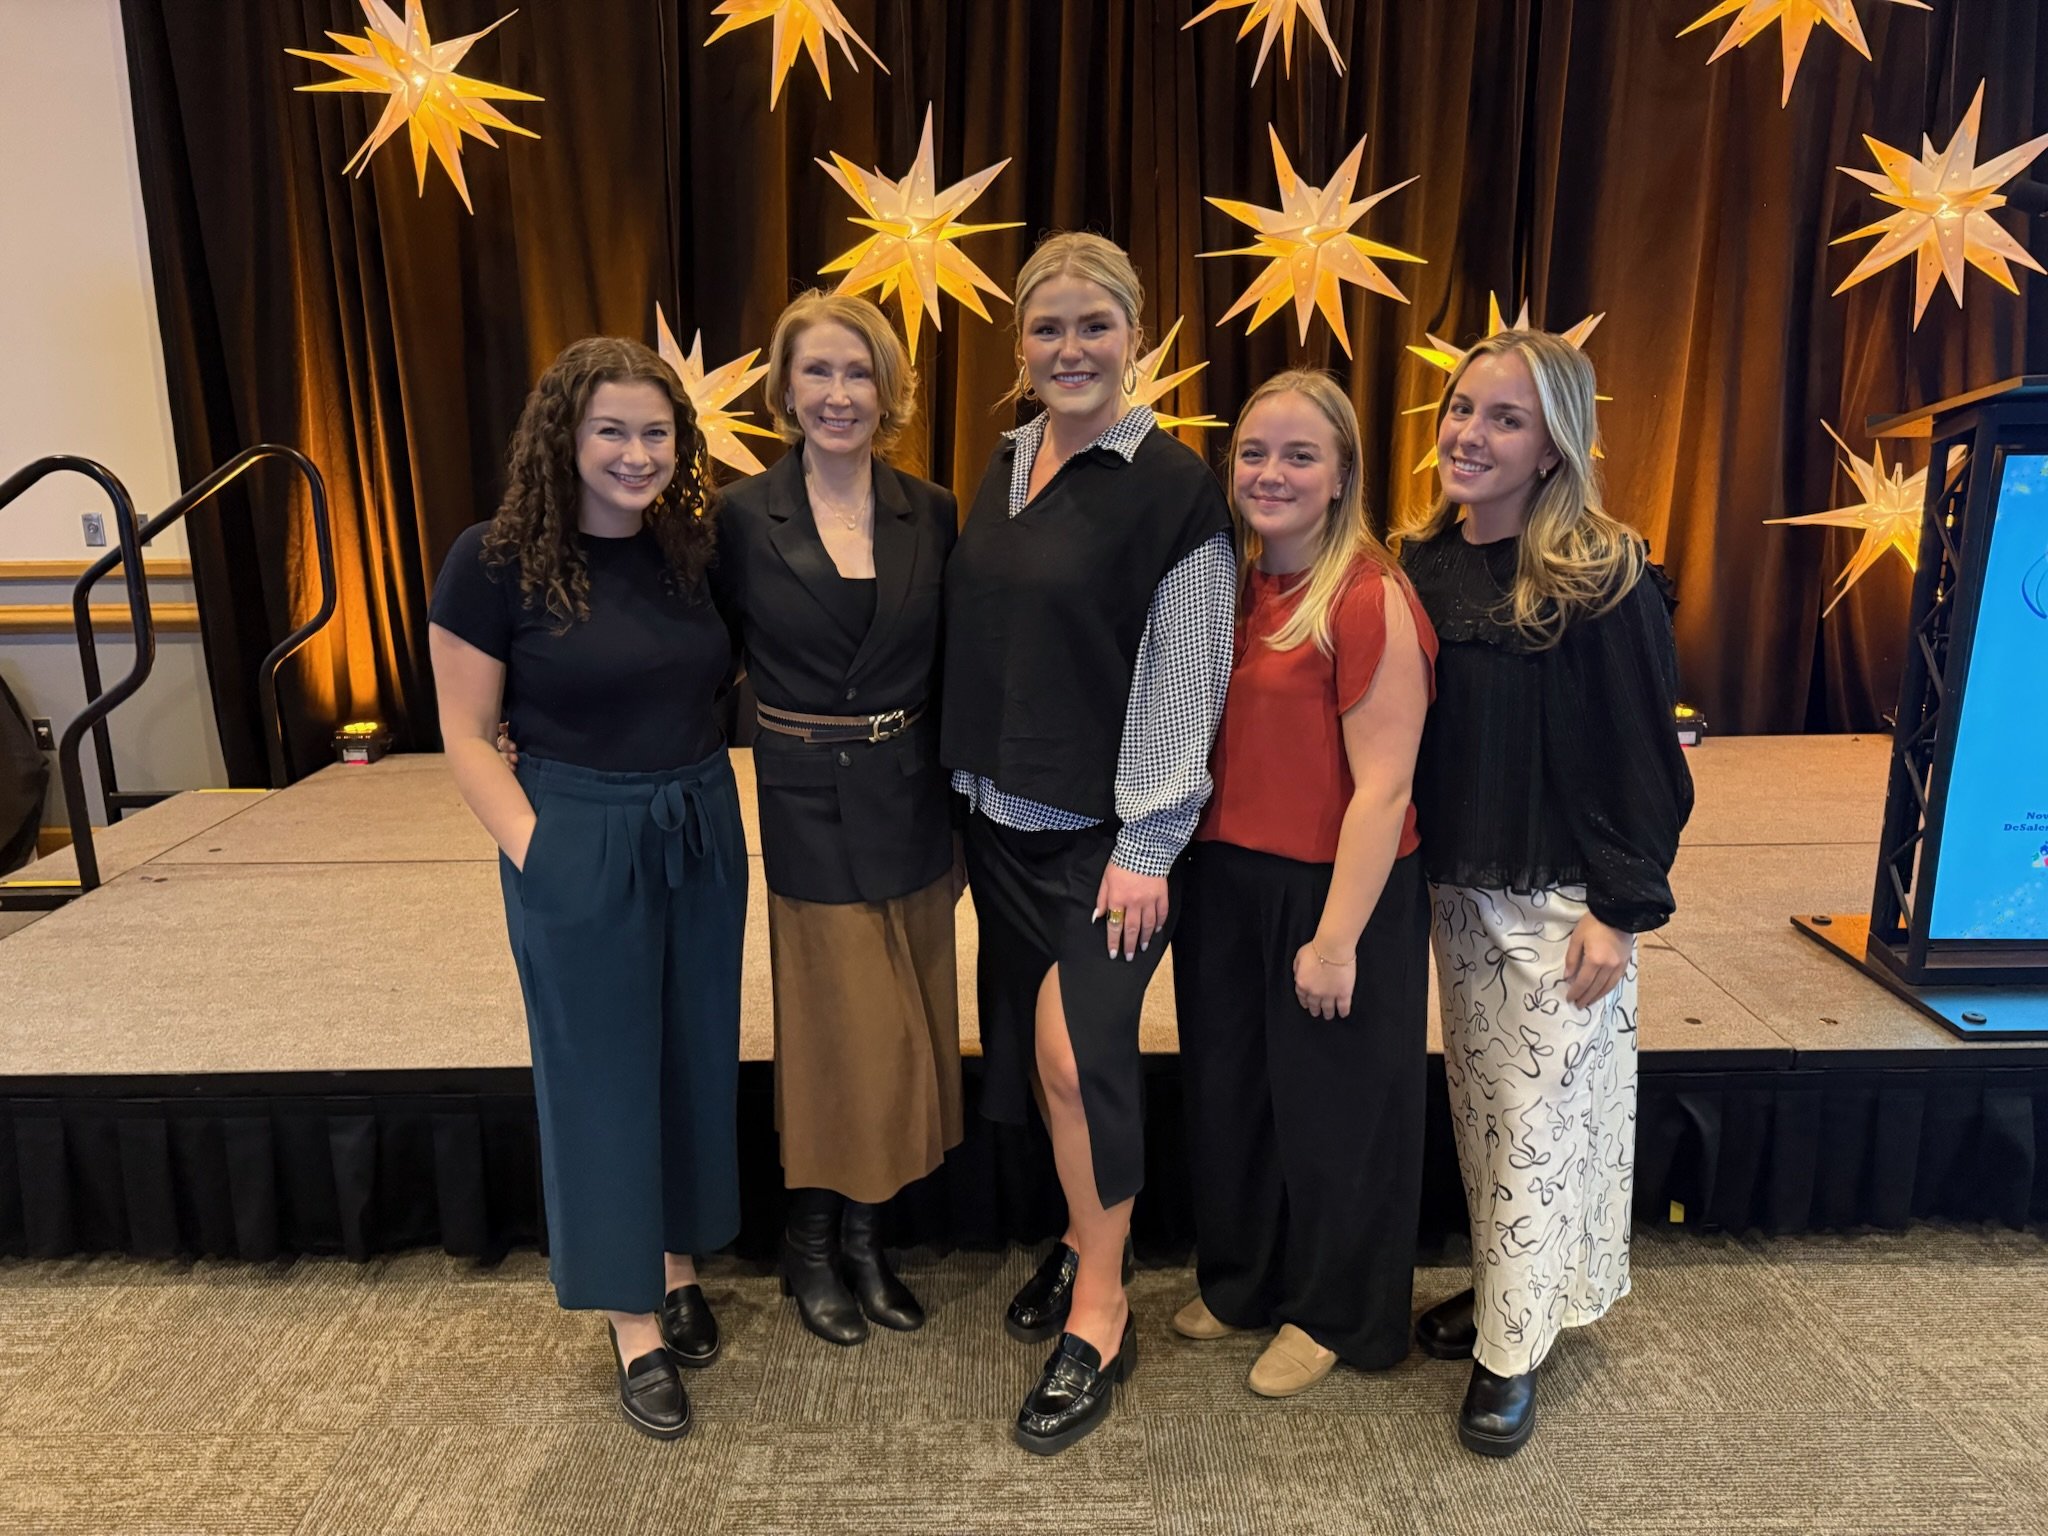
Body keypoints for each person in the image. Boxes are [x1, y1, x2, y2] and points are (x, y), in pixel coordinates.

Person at [941, 231, 1236, 1455]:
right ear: (1019, 346)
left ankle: (1101, 1312)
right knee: (1033, 1055)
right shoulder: (1003, 460)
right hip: (998, 825)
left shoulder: (1173, 485)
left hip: (1107, 845)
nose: (1070, 348)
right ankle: (1077, 1243)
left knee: (1077, 1062)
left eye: (1094, 326)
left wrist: (1149, 843)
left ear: (1134, 336)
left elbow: (1188, 668)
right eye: (1047, 328)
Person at [429, 337, 745, 1442]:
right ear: (563, 436)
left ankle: (673, 1257)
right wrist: (540, 851)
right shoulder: (494, 558)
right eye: (609, 429)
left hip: (699, 821)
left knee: (691, 1050)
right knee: (599, 1074)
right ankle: (631, 1318)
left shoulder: (689, 547)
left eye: (655, 432)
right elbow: (464, 735)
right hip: (575, 832)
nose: (634, 452)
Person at [1399, 329, 1693, 1458]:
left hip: (1559, 904)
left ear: (1551, 446)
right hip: (1453, 896)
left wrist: (1622, 909)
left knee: (1531, 1124)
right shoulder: (1421, 560)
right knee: (1492, 1119)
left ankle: (1508, 1357)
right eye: (1461, 408)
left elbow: (1642, 759)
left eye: (1503, 419)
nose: (1469, 433)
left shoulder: (1597, 574)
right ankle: (1513, 1296)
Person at [1170, 370, 1437, 1398]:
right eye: (1252, 452)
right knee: (1231, 1098)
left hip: (1337, 892)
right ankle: (1243, 1283)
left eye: (1297, 455)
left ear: (1339, 476)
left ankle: (1333, 1312)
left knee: (1336, 1117)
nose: (1269, 473)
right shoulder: (1229, 583)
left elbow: (1383, 790)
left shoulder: (1369, 595)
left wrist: (1333, 943)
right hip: (1227, 881)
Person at [714, 291, 963, 1345]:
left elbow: (958, 660)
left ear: (889, 389)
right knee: (834, 1033)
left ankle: (865, 1239)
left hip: (909, 792)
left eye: (857, 373)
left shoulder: (933, 510)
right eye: (815, 372)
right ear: (783, 389)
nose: (836, 394)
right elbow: (691, 653)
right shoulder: (740, 516)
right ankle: (808, 1242)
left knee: (909, 1029)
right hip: (807, 796)